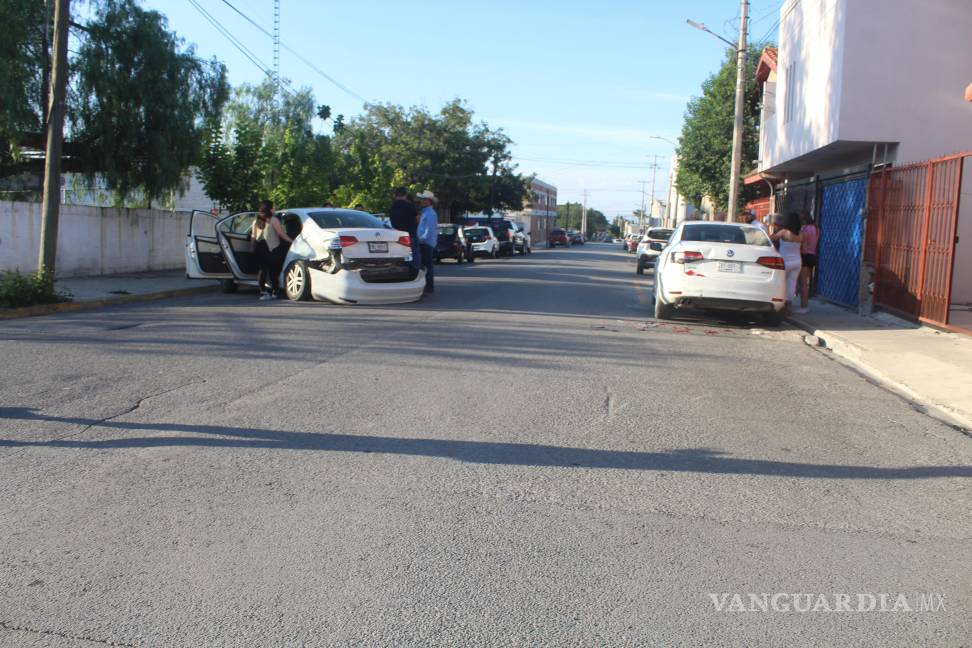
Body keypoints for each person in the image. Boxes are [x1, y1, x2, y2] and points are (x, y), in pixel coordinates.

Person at [251, 200, 292, 300]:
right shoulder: (273, 220)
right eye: (274, 207)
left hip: (260, 247)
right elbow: (281, 234)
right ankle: (275, 291)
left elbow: (253, 236)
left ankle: (263, 292)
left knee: (262, 270)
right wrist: (292, 241)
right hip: (272, 248)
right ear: (269, 209)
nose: (275, 209)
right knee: (274, 270)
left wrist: (252, 247)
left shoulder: (256, 220)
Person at [770, 212, 803, 311]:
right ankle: (789, 305)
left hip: (785, 261)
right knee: (792, 283)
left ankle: (781, 305)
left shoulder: (784, 232)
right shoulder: (801, 234)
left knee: (781, 283)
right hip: (797, 261)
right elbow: (803, 248)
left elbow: (771, 239)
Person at [388, 187, 420, 267]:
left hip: (397, 237)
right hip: (411, 235)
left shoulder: (392, 208)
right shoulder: (410, 206)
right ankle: (416, 274)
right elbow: (417, 219)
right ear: (405, 195)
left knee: (400, 258)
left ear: (395, 196)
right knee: (414, 257)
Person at [415, 190, 439, 294]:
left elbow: (428, 231)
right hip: (424, 242)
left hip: (426, 243)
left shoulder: (430, 214)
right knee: (424, 266)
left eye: (423, 199)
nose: (421, 201)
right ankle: (426, 286)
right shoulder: (426, 212)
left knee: (425, 266)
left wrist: (420, 240)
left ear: (429, 201)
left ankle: (429, 287)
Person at [797, 210, 819, 314]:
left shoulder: (804, 229)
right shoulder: (815, 228)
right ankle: (805, 305)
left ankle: (804, 306)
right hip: (812, 255)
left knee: (802, 283)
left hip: (804, 256)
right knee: (806, 282)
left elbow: (803, 244)